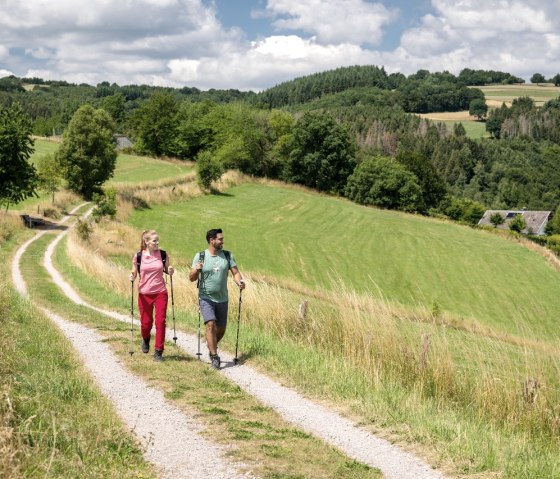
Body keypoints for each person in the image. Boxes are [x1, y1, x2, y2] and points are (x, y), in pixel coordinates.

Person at [189, 228, 245, 369]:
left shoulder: (227, 256)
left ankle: (211, 344)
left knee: (221, 329)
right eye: (220, 239)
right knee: (210, 324)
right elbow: (191, 278)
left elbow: (236, 272)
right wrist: (196, 269)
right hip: (206, 297)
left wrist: (240, 281)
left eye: (222, 239)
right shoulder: (200, 256)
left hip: (222, 299)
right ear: (211, 240)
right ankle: (214, 356)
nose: (222, 241)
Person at [129, 230, 174, 361]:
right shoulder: (138, 256)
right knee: (146, 323)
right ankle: (146, 338)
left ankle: (159, 351)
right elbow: (134, 272)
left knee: (160, 322)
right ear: (146, 242)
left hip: (160, 292)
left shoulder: (163, 254)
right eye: (154, 240)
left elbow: (167, 269)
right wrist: (132, 276)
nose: (157, 243)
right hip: (144, 293)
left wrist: (170, 270)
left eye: (157, 240)